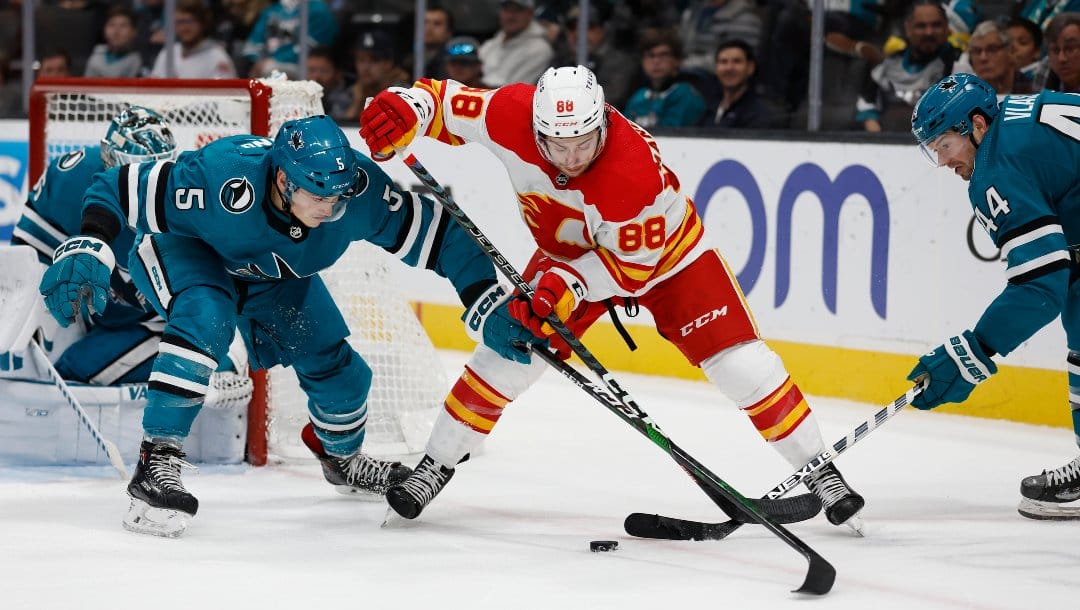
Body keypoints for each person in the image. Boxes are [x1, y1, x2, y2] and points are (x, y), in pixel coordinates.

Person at [360, 65, 866, 527]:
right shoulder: (511, 112)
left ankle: (820, 470)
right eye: (559, 146)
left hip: (670, 260)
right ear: (536, 128)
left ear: (602, 120)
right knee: (504, 357)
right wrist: (406, 109)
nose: (573, 156)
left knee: (743, 366)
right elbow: (443, 101)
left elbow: (628, 271)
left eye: (584, 141)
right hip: (566, 259)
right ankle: (435, 465)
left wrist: (567, 285)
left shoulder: (631, 172)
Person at [37, 115, 537, 537]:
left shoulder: (354, 191)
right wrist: (92, 242)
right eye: (320, 198)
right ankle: (157, 460)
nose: (333, 209)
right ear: (281, 180)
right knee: (204, 320)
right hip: (189, 252)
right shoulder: (219, 177)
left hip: (272, 273)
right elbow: (116, 186)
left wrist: (483, 298)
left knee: (342, 373)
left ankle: (342, 459)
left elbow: (440, 233)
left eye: (340, 199)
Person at [910, 73, 1080, 520]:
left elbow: (1042, 283)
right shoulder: (1019, 122)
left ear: (978, 126)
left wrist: (975, 349)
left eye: (945, 145)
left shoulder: (997, 166)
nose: (943, 161)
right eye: (934, 150)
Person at [14, 107, 178, 385]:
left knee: (72, 372)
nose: (146, 184)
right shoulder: (73, 180)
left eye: (158, 170)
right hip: (108, 320)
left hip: (167, 329)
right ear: (106, 158)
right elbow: (26, 251)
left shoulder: (190, 203)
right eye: (135, 170)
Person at [855, 0, 957, 133]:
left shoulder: (960, 65)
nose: (929, 32)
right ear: (908, 29)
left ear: (947, 28)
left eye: (936, 25)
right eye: (921, 26)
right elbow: (866, 104)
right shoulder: (887, 65)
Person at [623, 31, 706, 128]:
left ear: (677, 61)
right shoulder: (638, 96)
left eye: (663, 55)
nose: (656, 61)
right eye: (650, 55)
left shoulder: (687, 95)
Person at [149, 0, 236, 79]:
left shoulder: (217, 57)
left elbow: (224, 95)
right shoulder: (167, 53)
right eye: (180, 22)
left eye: (190, 21)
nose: (184, 28)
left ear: (203, 22)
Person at [478, 0, 554, 87]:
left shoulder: (540, 49)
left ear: (530, 14)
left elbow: (514, 92)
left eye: (517, 11)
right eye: (506, 10)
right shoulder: (493, 42)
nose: (510, 16)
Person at [84, 4, 143, 78]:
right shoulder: (97, 51)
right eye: (111, 25)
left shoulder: (135, 60)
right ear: (104, 30)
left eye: (123, 25)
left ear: (134, 32)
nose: (116, 31)